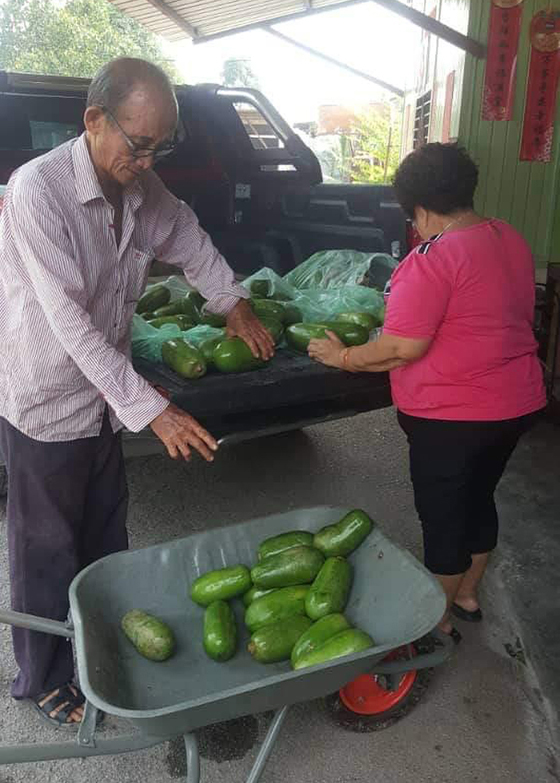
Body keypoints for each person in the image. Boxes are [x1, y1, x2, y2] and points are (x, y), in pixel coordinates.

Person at [0, 57, 274, 727]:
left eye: (161, 147)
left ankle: (96, 644)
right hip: (48, 398)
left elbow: (191, 239)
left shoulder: (143, 191)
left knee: (102, 532)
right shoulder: (38, 191)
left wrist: (231, 300)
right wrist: (157, 408)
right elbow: (71, 324)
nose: (148, 161)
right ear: (94, 120)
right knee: (44, 548)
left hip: (102, 400)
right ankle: (42, 677)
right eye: (139, 143)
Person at [308, 142, 546, 644]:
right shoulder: (509, 238)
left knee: (443, 518)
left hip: (453, 417)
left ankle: (432, 620)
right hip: (516, 404)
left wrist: (343, 358)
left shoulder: (430, 259)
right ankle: (466, 595)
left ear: (417, 208)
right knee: (479, 500)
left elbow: (401, 347)